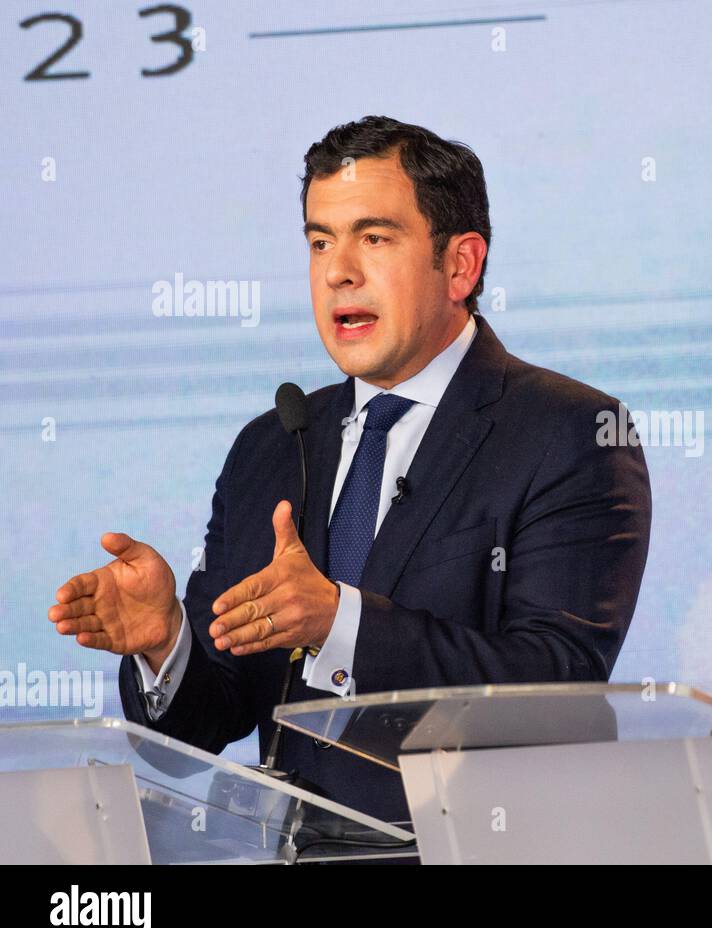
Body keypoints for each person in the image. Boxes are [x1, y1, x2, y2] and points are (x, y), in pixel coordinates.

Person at [48, 116, 653, 826]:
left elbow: (555, 688)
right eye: (319, 241)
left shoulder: (569, 431)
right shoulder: (269, 445)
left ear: (461, 265)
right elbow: (208, 724)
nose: (338, 271)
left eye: (374, 237)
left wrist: (343, 624)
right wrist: (166, 644)